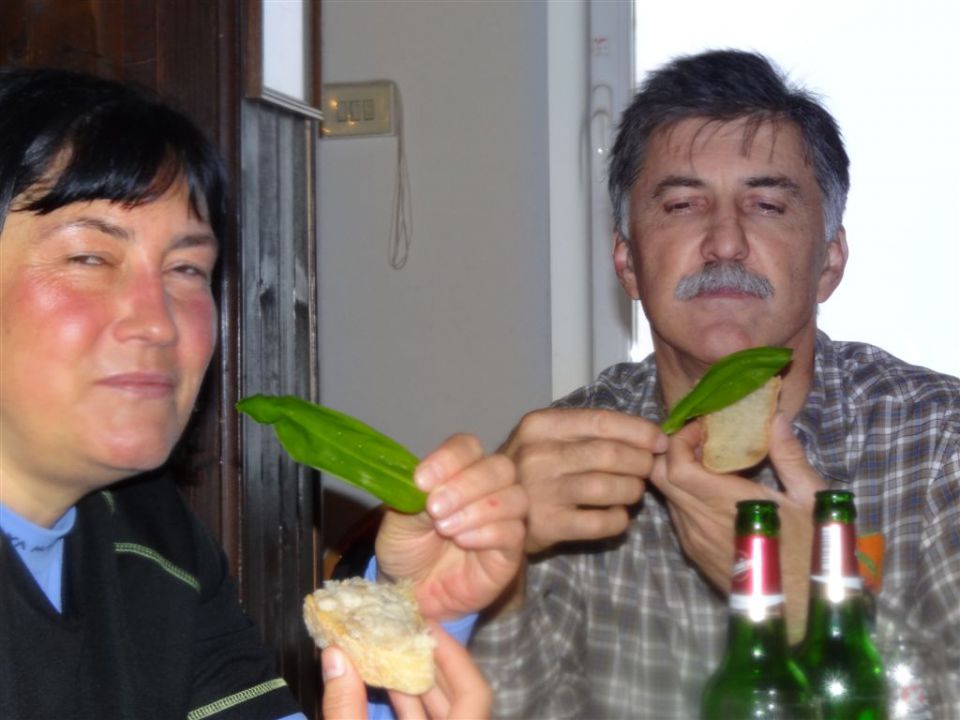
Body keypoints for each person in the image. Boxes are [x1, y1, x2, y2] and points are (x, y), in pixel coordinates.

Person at [0, 66, 525, 720]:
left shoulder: (154, 540)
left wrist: (412, 609)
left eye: (187, 269)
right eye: (90, 258)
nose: (159, 320)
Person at [468, 49, 960, 718]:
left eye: (765, 205)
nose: (724, 242)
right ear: (628, 262)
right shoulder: (569, 458)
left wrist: (823, 612)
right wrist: (497, 572)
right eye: (680, 205)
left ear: (829, 261)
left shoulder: (938, 441)